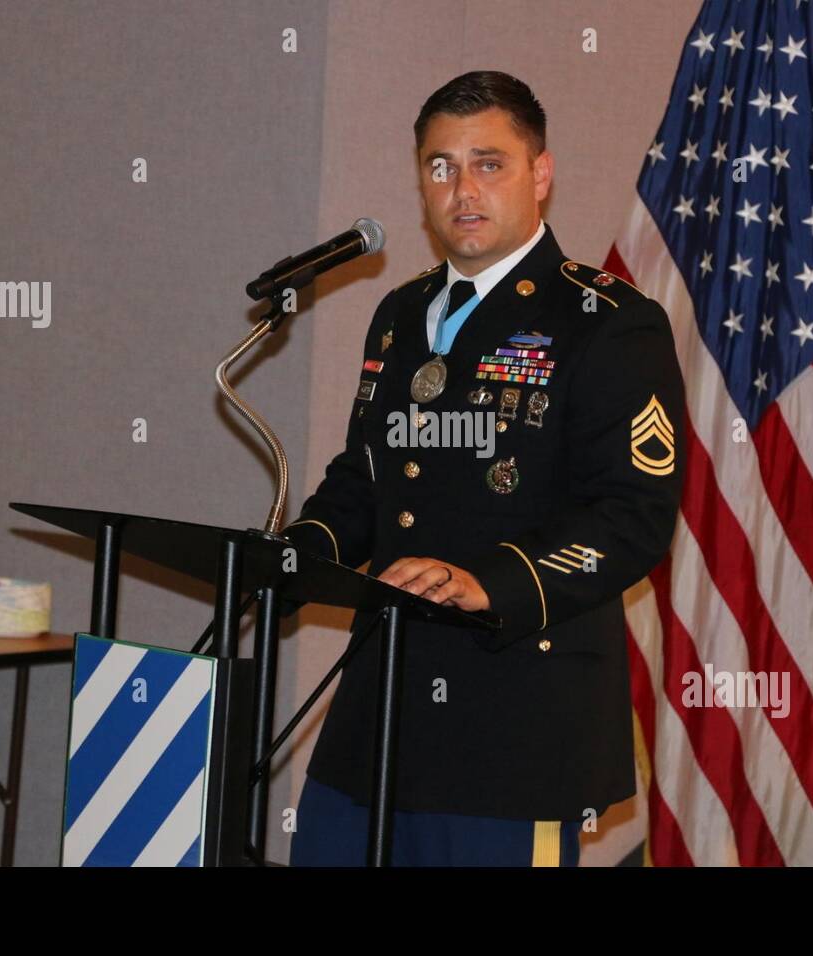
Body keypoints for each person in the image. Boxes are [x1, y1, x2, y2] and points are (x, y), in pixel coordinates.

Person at [283, 70, 685, 866]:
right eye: (440, 166)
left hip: (515, 723)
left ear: (541, 174)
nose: (462, 187)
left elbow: (631, 517)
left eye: (489, 163)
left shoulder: (608, 323)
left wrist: (488, 582)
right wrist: (303, 549)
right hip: (380, 705)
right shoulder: (401, 313)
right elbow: (368, 477)